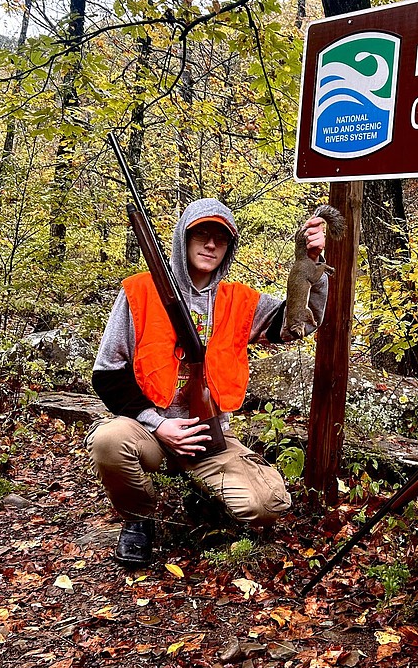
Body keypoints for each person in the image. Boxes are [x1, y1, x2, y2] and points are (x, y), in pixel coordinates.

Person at [87, 197, 329, 567]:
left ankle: (202, 491)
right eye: (201, 234)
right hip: (148, 431)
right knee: (108, 440)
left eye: (221, 237)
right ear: (183, 239)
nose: (211, 244)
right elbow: (107, 374)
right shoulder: (139, 291)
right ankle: (139, 519)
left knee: (268, 504)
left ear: (229, 248)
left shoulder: (240, 301)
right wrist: (160, 424)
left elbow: (298, 324)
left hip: (210, 437)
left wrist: (310, 266)